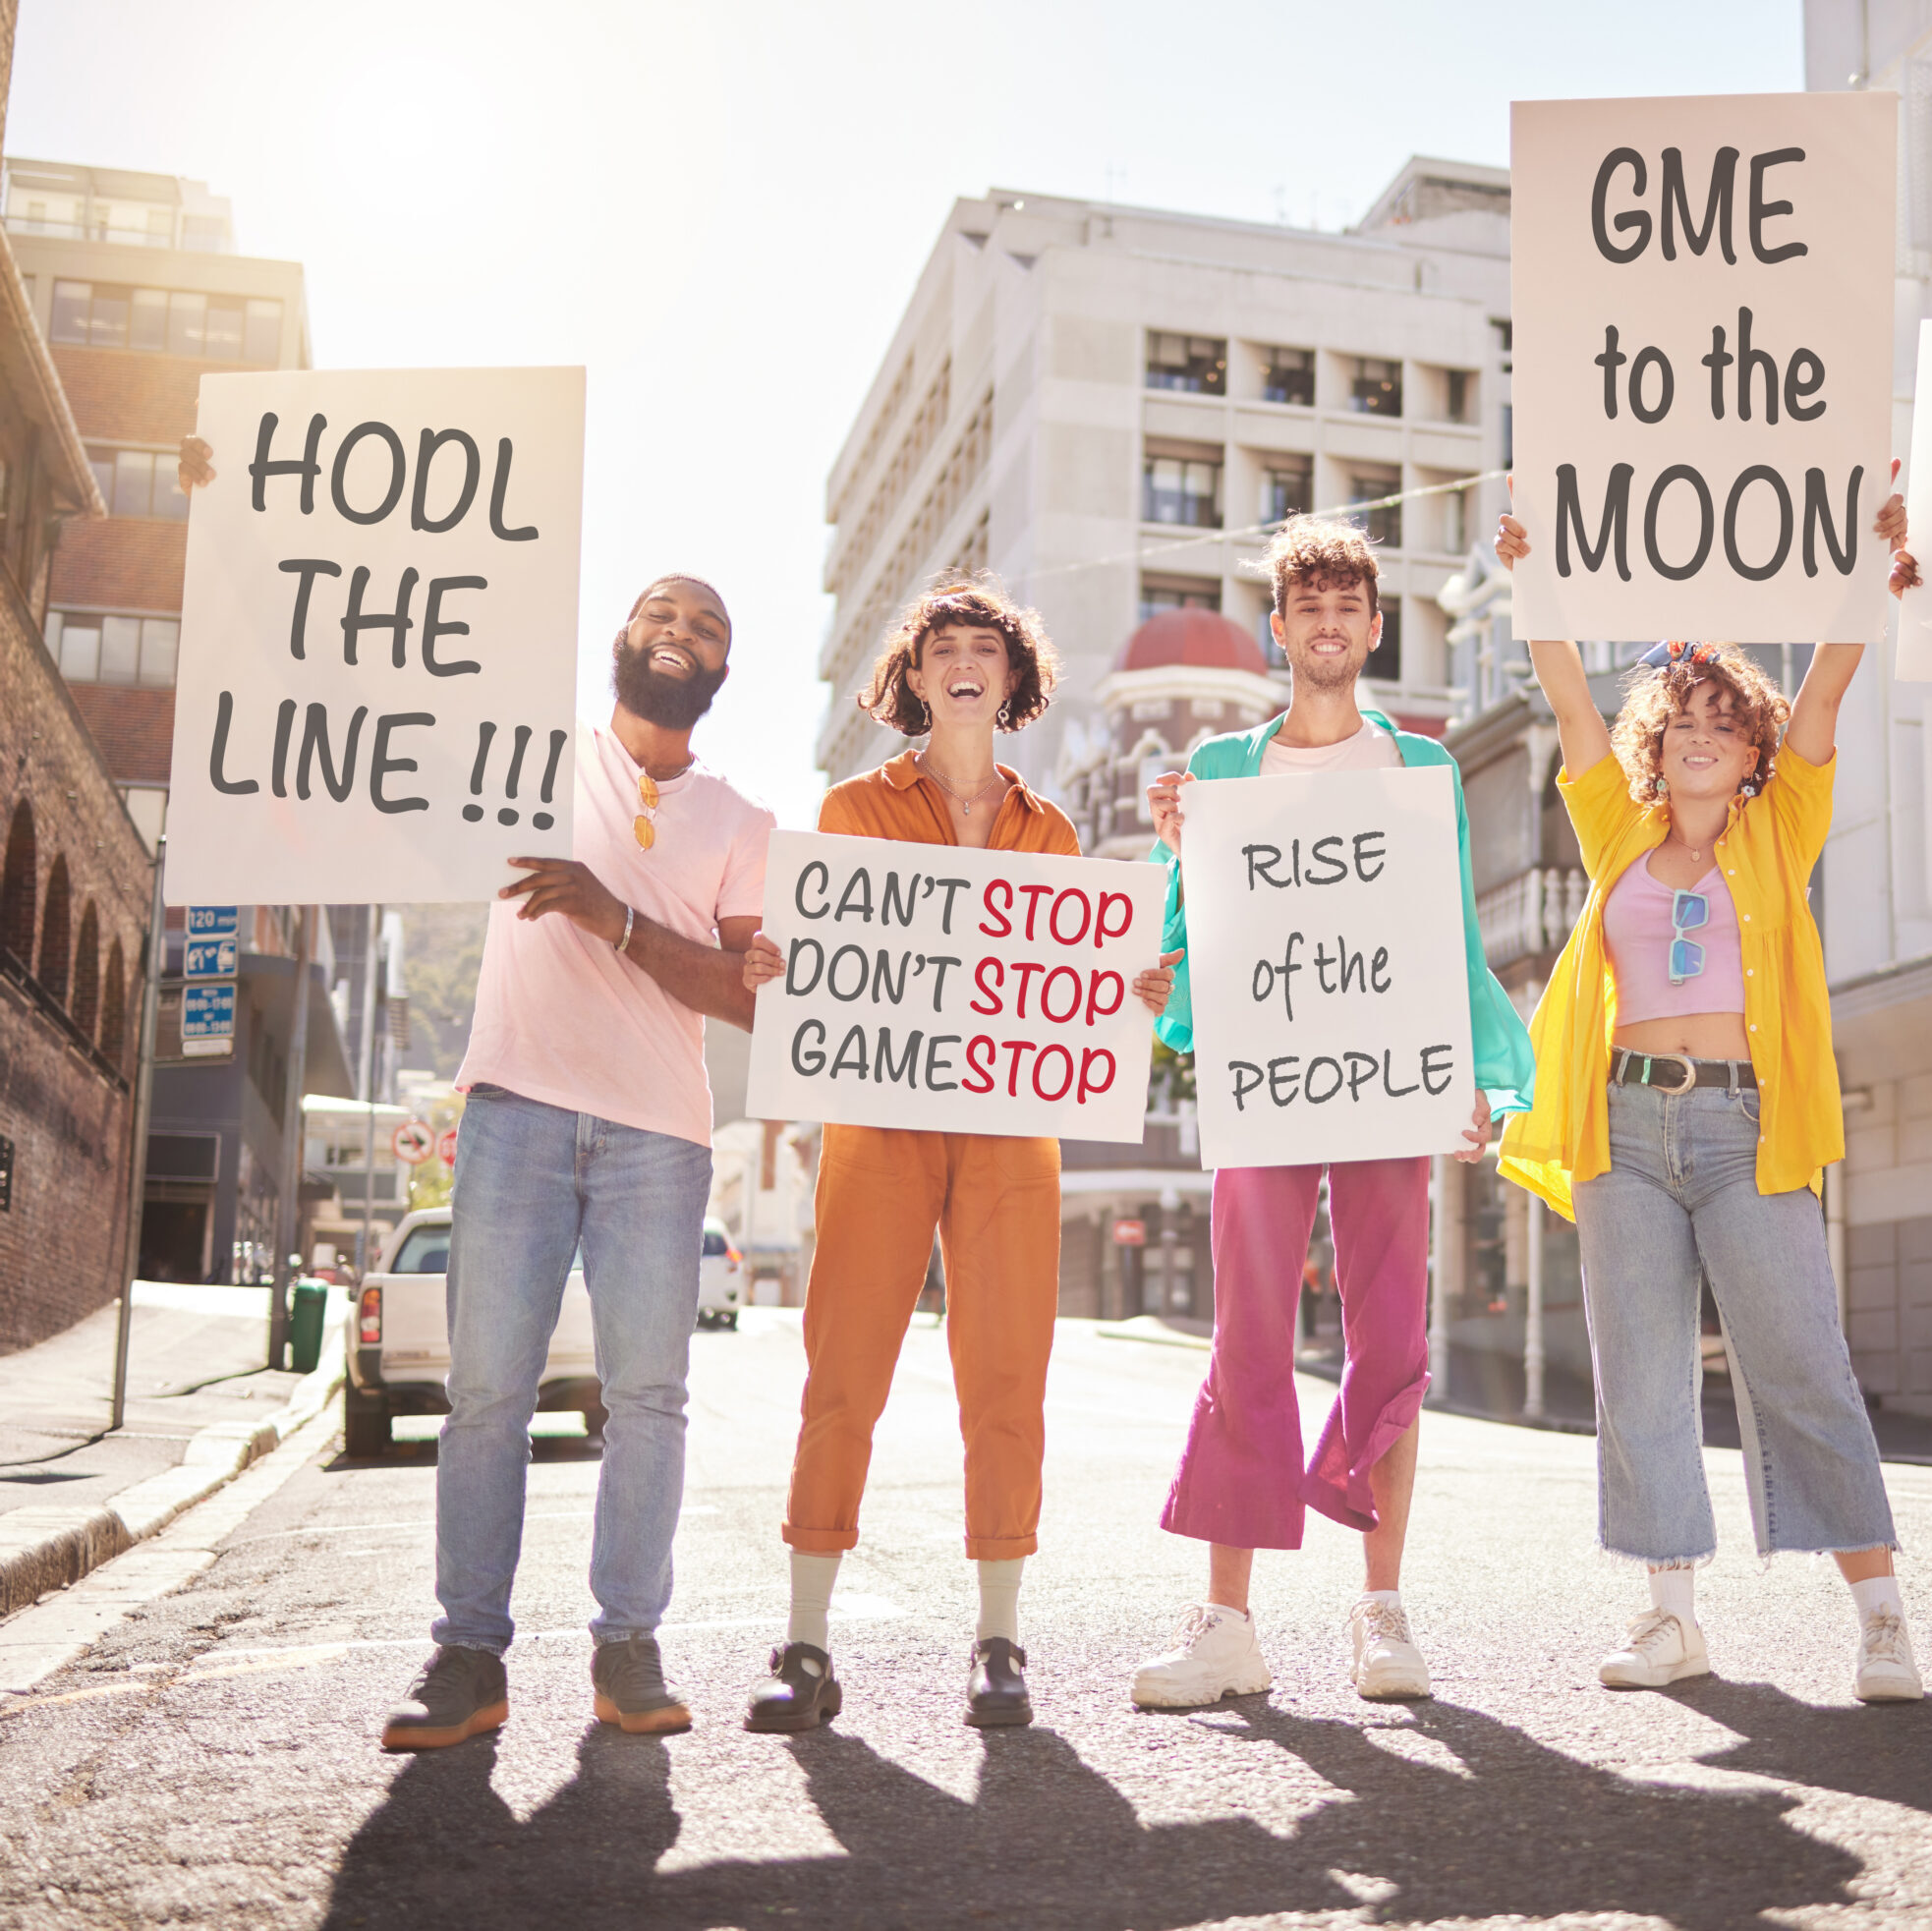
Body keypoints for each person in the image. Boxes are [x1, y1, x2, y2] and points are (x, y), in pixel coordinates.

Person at [190, 427, 778, 1747]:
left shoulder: (742, 818)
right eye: (656, 609)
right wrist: (226, 526)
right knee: (485, 1398)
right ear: (622, 639)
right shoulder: (523, 752)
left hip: (656, 1141)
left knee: (649, 1402)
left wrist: (614, 918)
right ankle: (468, 1658)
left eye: (705, 620)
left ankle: (627, 1648)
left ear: (724, 666)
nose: (677, 626)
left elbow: (748, 992)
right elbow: (346, 698)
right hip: (510, 1114)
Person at [1493, 485, 1923, 1703]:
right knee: (1638, 1374)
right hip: (1622, 1124)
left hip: (1744, 1126)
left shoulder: (1780, 828)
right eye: (1678, 717)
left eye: (1720, 722)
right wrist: (1532, 575)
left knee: (1801, 1364)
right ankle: (1669, 1616)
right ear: (1654, 742)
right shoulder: (1613, 832)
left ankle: (1882, 1620)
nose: (1696, 733)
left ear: (1750, 752)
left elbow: (1829, 689)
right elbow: (1567, 689)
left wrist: (1867, 570)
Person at [738, 581, 1178, 1732]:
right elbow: (828, 953)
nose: (967, 661)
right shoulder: (851, 808)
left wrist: (1125, 988)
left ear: (1013, 678)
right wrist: (788, 966)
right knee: (843, 1374)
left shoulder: (1056, 832)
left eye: (987, 646)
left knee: (1005, 1381)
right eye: (945, 648)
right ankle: (806, 1644)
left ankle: (998, 1643)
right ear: (918, 678)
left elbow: (1071, 984)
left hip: (1007, 1135)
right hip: (878, 1124)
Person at [1131, 515, 1535, 1711]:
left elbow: (1448, 938)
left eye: (1345, 606)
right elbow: (1181, 945)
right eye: (1305, 605)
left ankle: (1379, 1610)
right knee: (1244, 1340)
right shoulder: (1216, 775)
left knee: (1392, 1342)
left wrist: (1472, 1071)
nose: (1326, 623)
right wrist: (1172, 911)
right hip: (1267, 1091)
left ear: (1370, 627)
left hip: (1385, 1084)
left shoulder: (1422, 769)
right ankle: (1227, 1625)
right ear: (1280, 628)